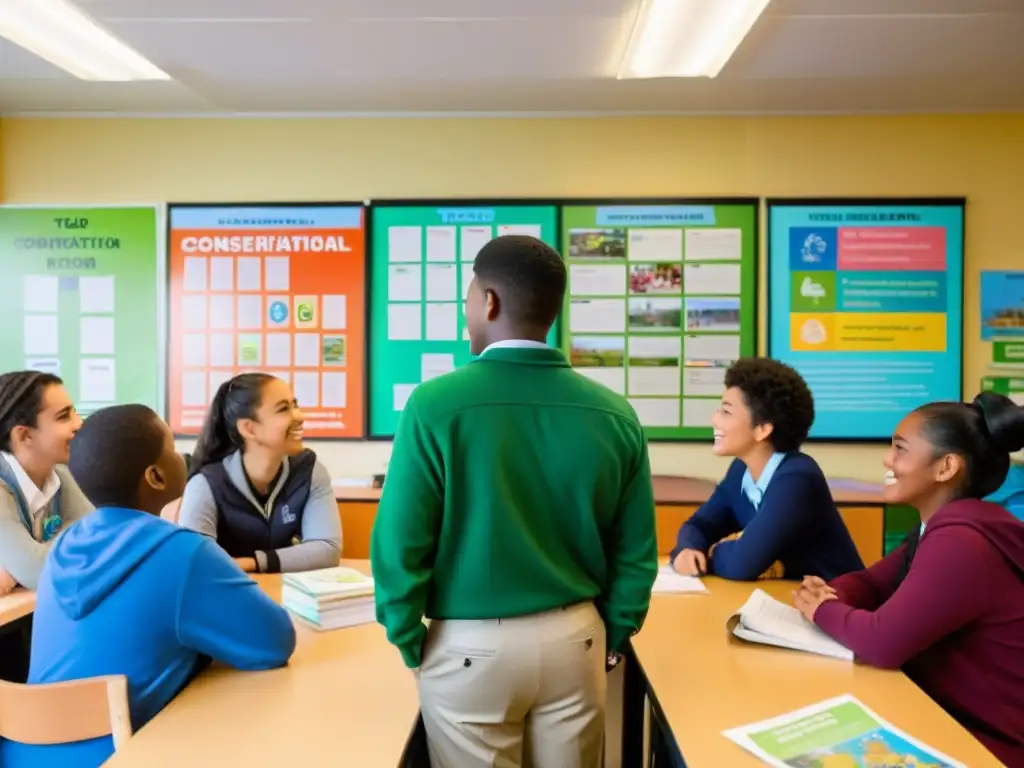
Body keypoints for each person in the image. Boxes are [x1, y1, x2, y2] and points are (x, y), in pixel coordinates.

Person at [371, 235, 658, 768]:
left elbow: (399, 544)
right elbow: (636, 549)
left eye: (469, 295)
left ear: (489, 302)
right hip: (578, 638)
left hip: (467, 648)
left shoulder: (435, 405)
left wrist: (407, 637)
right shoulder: (616, 414)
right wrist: (618, 629)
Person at [0, 404, 297, 768]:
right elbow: (274, 642)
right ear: (155, 476)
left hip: (24, 755)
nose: (182, 456)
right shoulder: (184, 552)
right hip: (119, 755)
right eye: (173, 447)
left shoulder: (65, 544)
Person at [793, 393, 1024, 766]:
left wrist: (822, 608)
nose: (887, 460)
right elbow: (871, 584)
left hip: (985, 748)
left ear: (946, 466)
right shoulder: (940, 526)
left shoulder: (960, 542)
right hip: (945, 720)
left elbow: (883, 642)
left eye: (900, 449)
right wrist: (833, 593)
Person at [670, 358, 863, 581]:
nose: (714, 419)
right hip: (794, 600)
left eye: (726, 412)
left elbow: (742, 564)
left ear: (762, 429)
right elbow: (699, 526)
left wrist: (710, 553)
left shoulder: (797, 479)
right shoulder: (741, 471)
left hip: (841, 605)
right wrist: (688, 549)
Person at [177, 374, 341, 574]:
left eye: (295, 405)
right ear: (249, 428)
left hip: (286, 596)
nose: (299, 416)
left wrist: (252, 562)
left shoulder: (309, 471)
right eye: (284, 409)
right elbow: (196, 562)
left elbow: (327, 549)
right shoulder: (206, 484)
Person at [0, 371, 92, 592]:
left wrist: (20, 565)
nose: (79, 423)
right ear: (24, 436)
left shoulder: (59, 473)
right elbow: (39, 573)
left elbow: (102, 538)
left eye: (75, 412)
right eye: (63, 416)